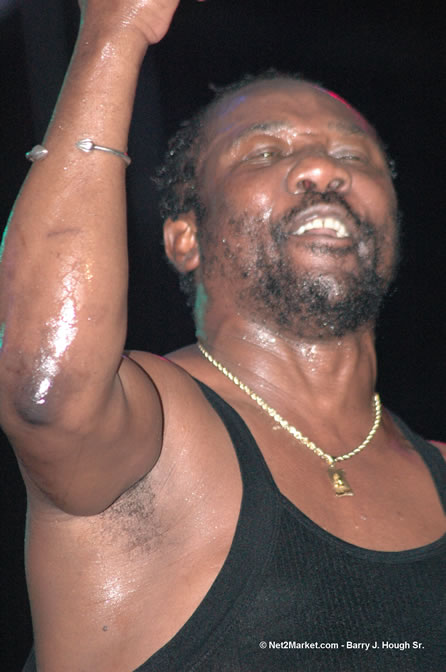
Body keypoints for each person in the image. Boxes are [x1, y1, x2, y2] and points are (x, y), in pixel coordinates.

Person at [0, 1, 444, 670]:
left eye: (354, 156)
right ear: (186, 238)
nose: (323, 171)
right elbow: (47, 387)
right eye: (266, 151)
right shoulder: (153, 433)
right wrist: (116, 31)